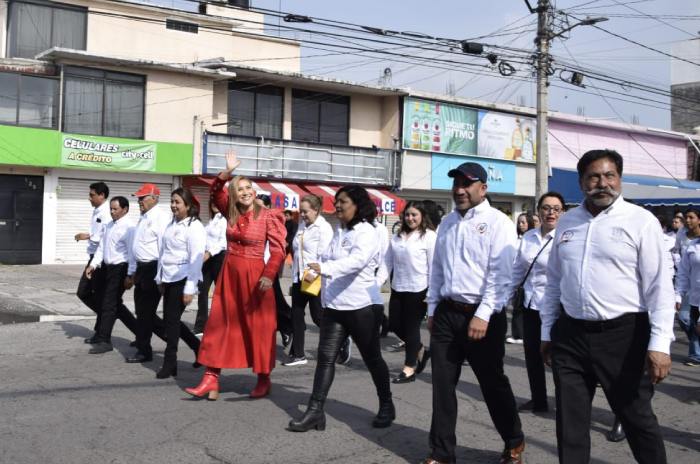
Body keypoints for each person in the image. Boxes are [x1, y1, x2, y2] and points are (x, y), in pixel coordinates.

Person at [540, 149, 674, 464]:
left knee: (637, 419)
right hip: (571, 335)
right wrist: (548, 332)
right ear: (581, 181)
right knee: (570, 425)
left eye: (609, 175)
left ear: (620, 179)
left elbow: (659, 288)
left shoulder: (641, 221)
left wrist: (660, 344)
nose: (603, 183)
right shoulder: (568, 222)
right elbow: (554, 282)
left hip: (624, 336)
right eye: (594, 177)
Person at [423, 162, 524, 464]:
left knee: (492, 384)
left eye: (467, 184)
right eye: (456, 184)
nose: (460, 190)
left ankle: (514, 439)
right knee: (442, 385)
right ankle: (442, 453)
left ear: (483, 188)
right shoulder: (448, 223)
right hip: (447, 314)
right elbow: (438, 268)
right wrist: (432, 307)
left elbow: (501, 275)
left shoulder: (498, 222)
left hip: (482, 316)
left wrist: (483, 313)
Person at [287, 185, 394, 432]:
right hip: (335, 307)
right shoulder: (339, 231)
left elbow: (356, 262)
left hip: (362, 307)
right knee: (325, 359)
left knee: (372, 358)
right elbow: (327, 256)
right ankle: (315, 412)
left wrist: (325, 268)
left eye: (342, 202)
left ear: (357, 204)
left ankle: (387, 404)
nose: (337, 207)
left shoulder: (367, 232)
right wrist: (318, 266)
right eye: (335, 202)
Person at [185, 152, 286, 400]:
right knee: (219, 326)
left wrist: (269, 275)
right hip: (229, 276)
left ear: (254, 191)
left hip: (256, 278)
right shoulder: (230, 212)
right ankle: (211, 377)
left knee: (259, 329)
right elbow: (215, 191)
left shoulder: (269, 216)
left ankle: (263, 378)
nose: (245, 192)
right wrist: (226, 172)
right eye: (239, 188)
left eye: (248, 187)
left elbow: (278, 250)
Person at [125, 183, 201, 364]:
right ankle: (190, 343)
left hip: (155, 269)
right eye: (138, 198)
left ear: (154, 198)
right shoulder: (143, 217)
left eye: (142, 198)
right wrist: (132, 271)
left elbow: (163, 249)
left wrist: (159, 276)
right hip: (143, 269)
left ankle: (146, 349)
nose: (139, 201)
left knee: (151, 315)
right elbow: (136, 246)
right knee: (145, 313)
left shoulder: (161, 218)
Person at [505, 192, 564, 413]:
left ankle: (565, 402)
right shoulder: (528, 237)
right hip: (530, 305)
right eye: (546, 208)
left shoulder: (566, 237)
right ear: (538, 211)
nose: (551, 213)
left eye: (556, 208)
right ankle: (538, 399)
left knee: (558, 359)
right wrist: (505, 298)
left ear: (562, 212)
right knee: (533, 355)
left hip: (557, 309)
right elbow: (518, 270)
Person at [380, 200, 436, 383]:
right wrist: (375, 283)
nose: (410, 218)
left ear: (422, 216)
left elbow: (434, 267)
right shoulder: (397, 236)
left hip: (419, 289)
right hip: (398, 287)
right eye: (408, 215)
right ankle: (420, 349)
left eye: (414, 215)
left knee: (412, 329)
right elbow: (387, 262)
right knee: (395, 325)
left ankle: (409, 368)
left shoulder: (428, 236)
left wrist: (432, 294)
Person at [153, 188, 205, 379]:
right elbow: (163, 253)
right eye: (172, 201)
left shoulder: (194, 227)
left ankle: (170, 362)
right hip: (168, 277)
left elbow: (196, 259)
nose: (174, 205)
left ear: (188, 205)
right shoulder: (171, 224)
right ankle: (198, 347)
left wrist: (190, 287)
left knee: (171, 321)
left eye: (178, 202)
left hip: (184, 278)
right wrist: (159, 277)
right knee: (170, 320)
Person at [76, 182, 134, 342]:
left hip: (117, 267)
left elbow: (131, 252)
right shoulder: (107, 220)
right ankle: (107, 327)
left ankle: (104, 335)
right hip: (100, 261)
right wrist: (93, 264)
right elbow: (103, 244)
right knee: (108, 302)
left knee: (107, 302)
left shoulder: (125, 224)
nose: (89, 198)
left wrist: (130, 275)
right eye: (112, 209)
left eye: (92, 195)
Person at [284, 194, 333, 366]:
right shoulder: (302, 226)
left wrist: (314, 273)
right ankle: (299, 354)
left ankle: (340, 342)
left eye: (305, 212)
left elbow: (325, 256)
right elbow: (297, 249)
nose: (302, 215)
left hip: (314, 276)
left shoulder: (324, 228)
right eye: (301, 212)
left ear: (316, 210)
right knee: (296, 314)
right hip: (299, 276)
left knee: (318, 316)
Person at [193, 202, 227, 336]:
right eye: (212, 201)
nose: (214, 204)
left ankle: (222, 324)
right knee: (202, 291)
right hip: (207, 258)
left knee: (220, 294)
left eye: (216, 201)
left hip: (218, 258)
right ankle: (201, 325)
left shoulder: (224, 220)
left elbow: (222, 242)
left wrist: (209, 253)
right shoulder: (212, 220)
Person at [674, 208, 700, 366]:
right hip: (694, 295)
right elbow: (683, 272)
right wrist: (678, 294)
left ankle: (695, 354)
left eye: (691, 217)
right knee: (684, 318)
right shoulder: (691, 244)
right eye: (686, 218)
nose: (688, 220)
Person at [508, 212, 535, 345]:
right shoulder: (516, 238)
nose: (521, 225)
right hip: (516, 278)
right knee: (517, 307)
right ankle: (518, 334)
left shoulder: (533, 238)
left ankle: (520, 334)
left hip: (528, 281)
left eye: (524, 222)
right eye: (519, 222)